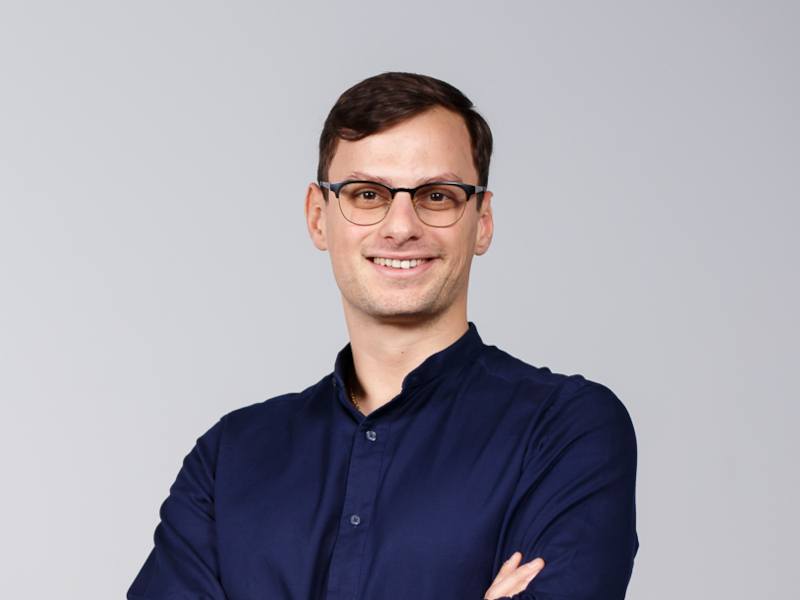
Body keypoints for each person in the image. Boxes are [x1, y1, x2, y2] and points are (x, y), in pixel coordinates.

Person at [127, 71, 639, 600]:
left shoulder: (565, 431)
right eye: (367, 194)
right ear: (318, 217)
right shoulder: (229, 460)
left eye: (437, 195)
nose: (400, 226)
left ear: (481, 220)